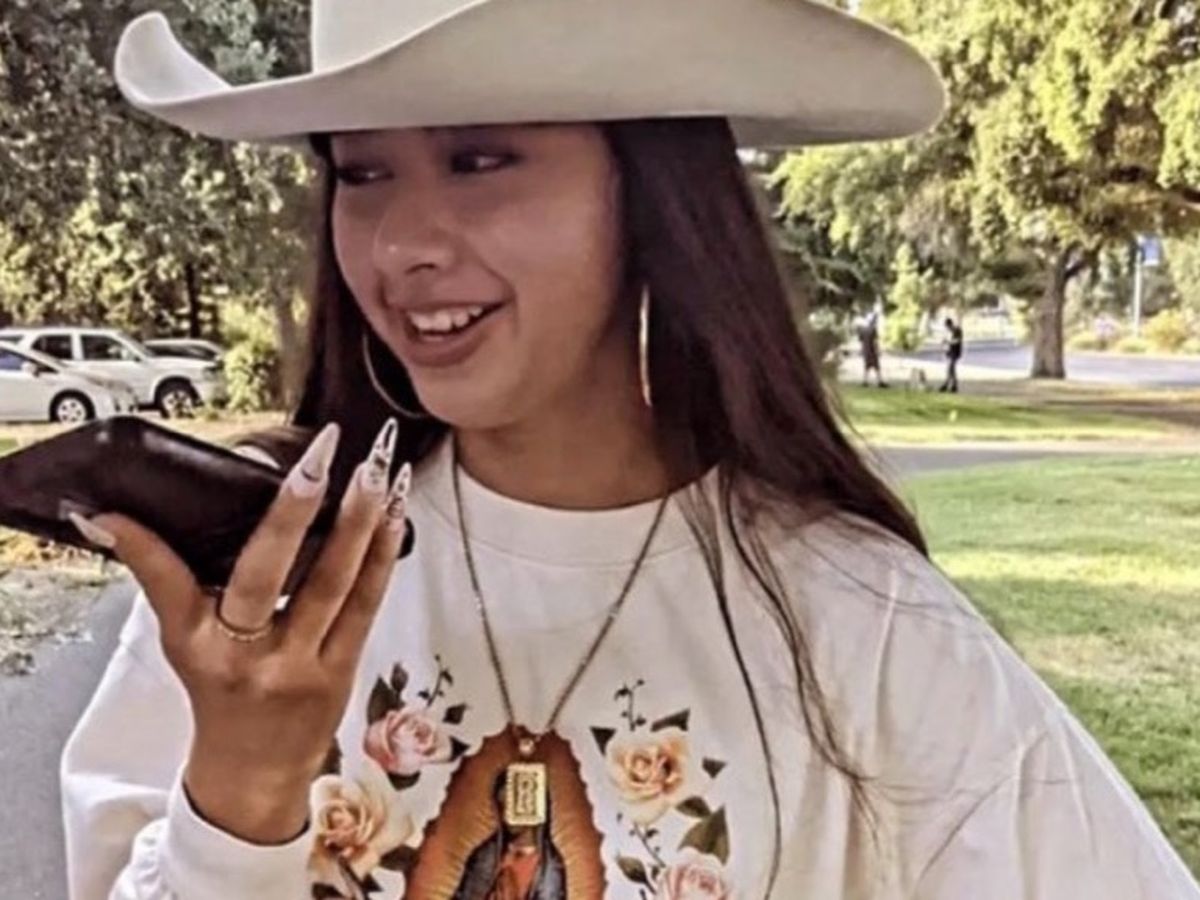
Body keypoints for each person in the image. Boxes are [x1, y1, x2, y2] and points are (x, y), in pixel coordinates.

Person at [60, 2, 1200, 899]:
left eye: (479, 161)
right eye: (361, 173)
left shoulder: (861, 621)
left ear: (652, 197)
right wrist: (238, 802)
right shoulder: (244, 585)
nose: (401, 244)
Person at [857, 310, 888, 387]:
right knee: (876, 366)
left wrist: (861, 350)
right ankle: (880, 381)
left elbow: (861, 341)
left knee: (867, 366)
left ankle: (865, 381)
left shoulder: (862, 330)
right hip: (872, 350)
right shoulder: (873, 329)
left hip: (866, 351)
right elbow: (875, 342)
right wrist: (878, 350)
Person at [939, 316, 964, 393]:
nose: (947, 328)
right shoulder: (948, 331)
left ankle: (946, 385)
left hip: (955, 352)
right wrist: (943, 344)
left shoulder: (957, 330)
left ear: (950, 324)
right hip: (949, 352)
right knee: (951, 369)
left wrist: (948, 342)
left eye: (948, 327)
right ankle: (954, 386)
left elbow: (957, 341)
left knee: (950, 368)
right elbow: (946, 341)